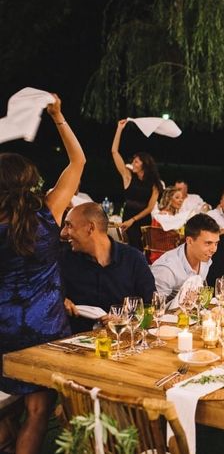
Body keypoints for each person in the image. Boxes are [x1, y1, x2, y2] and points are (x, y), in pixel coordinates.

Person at [0, 95, 85, 454]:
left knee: (7, 410)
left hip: (3, 325)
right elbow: (78, 161)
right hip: (44, 326)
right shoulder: (49, 213)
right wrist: (58, 117)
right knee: (37, 411)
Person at [60, 203, 155, 333]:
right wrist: (60, 301)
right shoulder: (63, 259)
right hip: (76, 343)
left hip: (124, 340)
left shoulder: (133, 259)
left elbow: (151, 308)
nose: (63, 233)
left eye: (69, 225)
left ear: (90, 228)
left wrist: (125, 321)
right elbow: (45, 294)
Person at [111, 119, 162, 250]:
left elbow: (150, 208)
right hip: (127, 215)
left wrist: (133, 220)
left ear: (144, 165)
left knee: (140, 250)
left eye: (137, 162)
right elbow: (114, 152)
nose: (133, 163)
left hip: (142, 220)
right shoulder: (128, 176)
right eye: (133, 161)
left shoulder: (154, 183)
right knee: (127, 247)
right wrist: (119, 129)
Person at [151, 213, 220, 302]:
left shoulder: (204, 258)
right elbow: (156, 308)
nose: (214, 249)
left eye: (216, 243)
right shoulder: (166, 269)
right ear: (190, 241)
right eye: (208, 243)